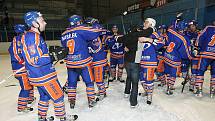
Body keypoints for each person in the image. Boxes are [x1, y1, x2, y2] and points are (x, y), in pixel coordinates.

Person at [21, 11, 76, 121]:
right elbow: (34, 59)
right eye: (42, 20)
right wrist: (53, 56)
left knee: (44, 97)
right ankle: (62, 117)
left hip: (38, 75)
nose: (45, 23)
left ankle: (41, 117)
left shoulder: (33, 36)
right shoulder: (32, 37)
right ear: (34, 23)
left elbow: (38, 54)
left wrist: (51, 53)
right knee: (58, 95)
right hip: (43, 75)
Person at [61, 15, 104, 108]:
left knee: (72, 83)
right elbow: (97, 32)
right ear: (78, 22)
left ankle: (72, 102)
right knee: (89, 82)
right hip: (83, 62)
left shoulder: (64, 33)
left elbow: (64, 46)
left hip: (71, 63)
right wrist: (95, 23)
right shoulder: (80, 29)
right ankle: (91, 101)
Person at [118, 20, 154, 107]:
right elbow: (150, 31)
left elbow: (120, 39)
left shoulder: (128, 35)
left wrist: (125, 45)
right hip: (135, 61)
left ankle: (126, 93)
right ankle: (133, 102)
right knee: (135, 83)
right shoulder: (139, 34)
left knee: (129, 77)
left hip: (126, 61)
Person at [8, 24, 35, 113]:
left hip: (24, 68)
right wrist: (22, 62)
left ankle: (30, 99)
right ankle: (21, 107)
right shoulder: (17, 40)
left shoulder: (22, 39)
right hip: (20, 68)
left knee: (30, 83)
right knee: (26, 87)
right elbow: (14, 53)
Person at [139, 18, 165, 104]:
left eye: (146, 22)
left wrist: (148, 39)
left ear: (151, 24)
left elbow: (161, 43)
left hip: (150, 61)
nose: (144, 24)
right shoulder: (142, 32)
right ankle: (147, 91)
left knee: (148, 79)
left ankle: (149, 95)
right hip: (141, 59)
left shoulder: (155, 34)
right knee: (142, 78)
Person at [164, 19, 192, 95]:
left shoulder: (171, 31)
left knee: (168, 72)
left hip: (166, 56)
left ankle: (168, 85)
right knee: (173, 74)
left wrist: (176, 20)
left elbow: (170, 27)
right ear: (184, 28)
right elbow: (185, 53)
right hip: (174, 59)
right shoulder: (184, 39)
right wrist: (191, 56)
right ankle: (169, 88)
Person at [86, 17, 108, 100]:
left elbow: (96, 49)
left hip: (98, 60)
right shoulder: (90, 36)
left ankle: (103, 93)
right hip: (94, 60)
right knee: (94, 78)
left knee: (98, 78)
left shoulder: (94, 37)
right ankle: (102, 91)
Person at [195, 23, 215, 97]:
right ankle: (212, 90)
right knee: (214, 74)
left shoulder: (208, 28)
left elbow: (200, 37)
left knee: (200, 71)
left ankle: (199, 90)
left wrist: (197, 46)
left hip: (205, 54)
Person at [185, 20, 200, 92]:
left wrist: (197, 49)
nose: (191, 27)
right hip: (187, 54)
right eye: (190, 26)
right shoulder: (186, 33)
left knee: (194, 71)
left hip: (195, 55)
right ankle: (188, 78)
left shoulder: (199, 34)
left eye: (193, 26)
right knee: (184, 70)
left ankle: (192, 84)